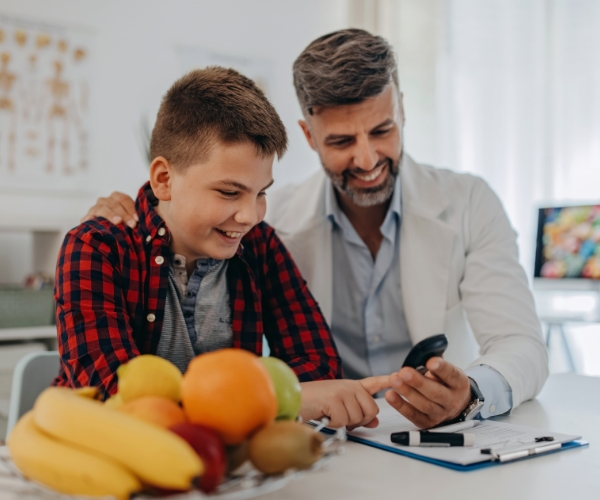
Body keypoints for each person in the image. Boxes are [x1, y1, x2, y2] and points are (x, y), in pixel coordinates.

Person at [82, 30, 548, 429]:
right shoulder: (269, 221)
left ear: (402, 110)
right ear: (308, 137)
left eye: (382, 130)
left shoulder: (468, 203)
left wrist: (471, 394)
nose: (366, 160)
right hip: (333, 438)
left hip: (436, 437)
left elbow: (520, 343)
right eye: (342, 141)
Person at [54, 67, 391, 429]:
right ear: (164, 180)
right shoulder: (96, 249)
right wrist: (275, 400)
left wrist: (291, 397)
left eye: (261, 193)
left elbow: (318, 365)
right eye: (229, 192)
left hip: (229, 471)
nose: (250, 216)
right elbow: (116, 398)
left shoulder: (258, 244)